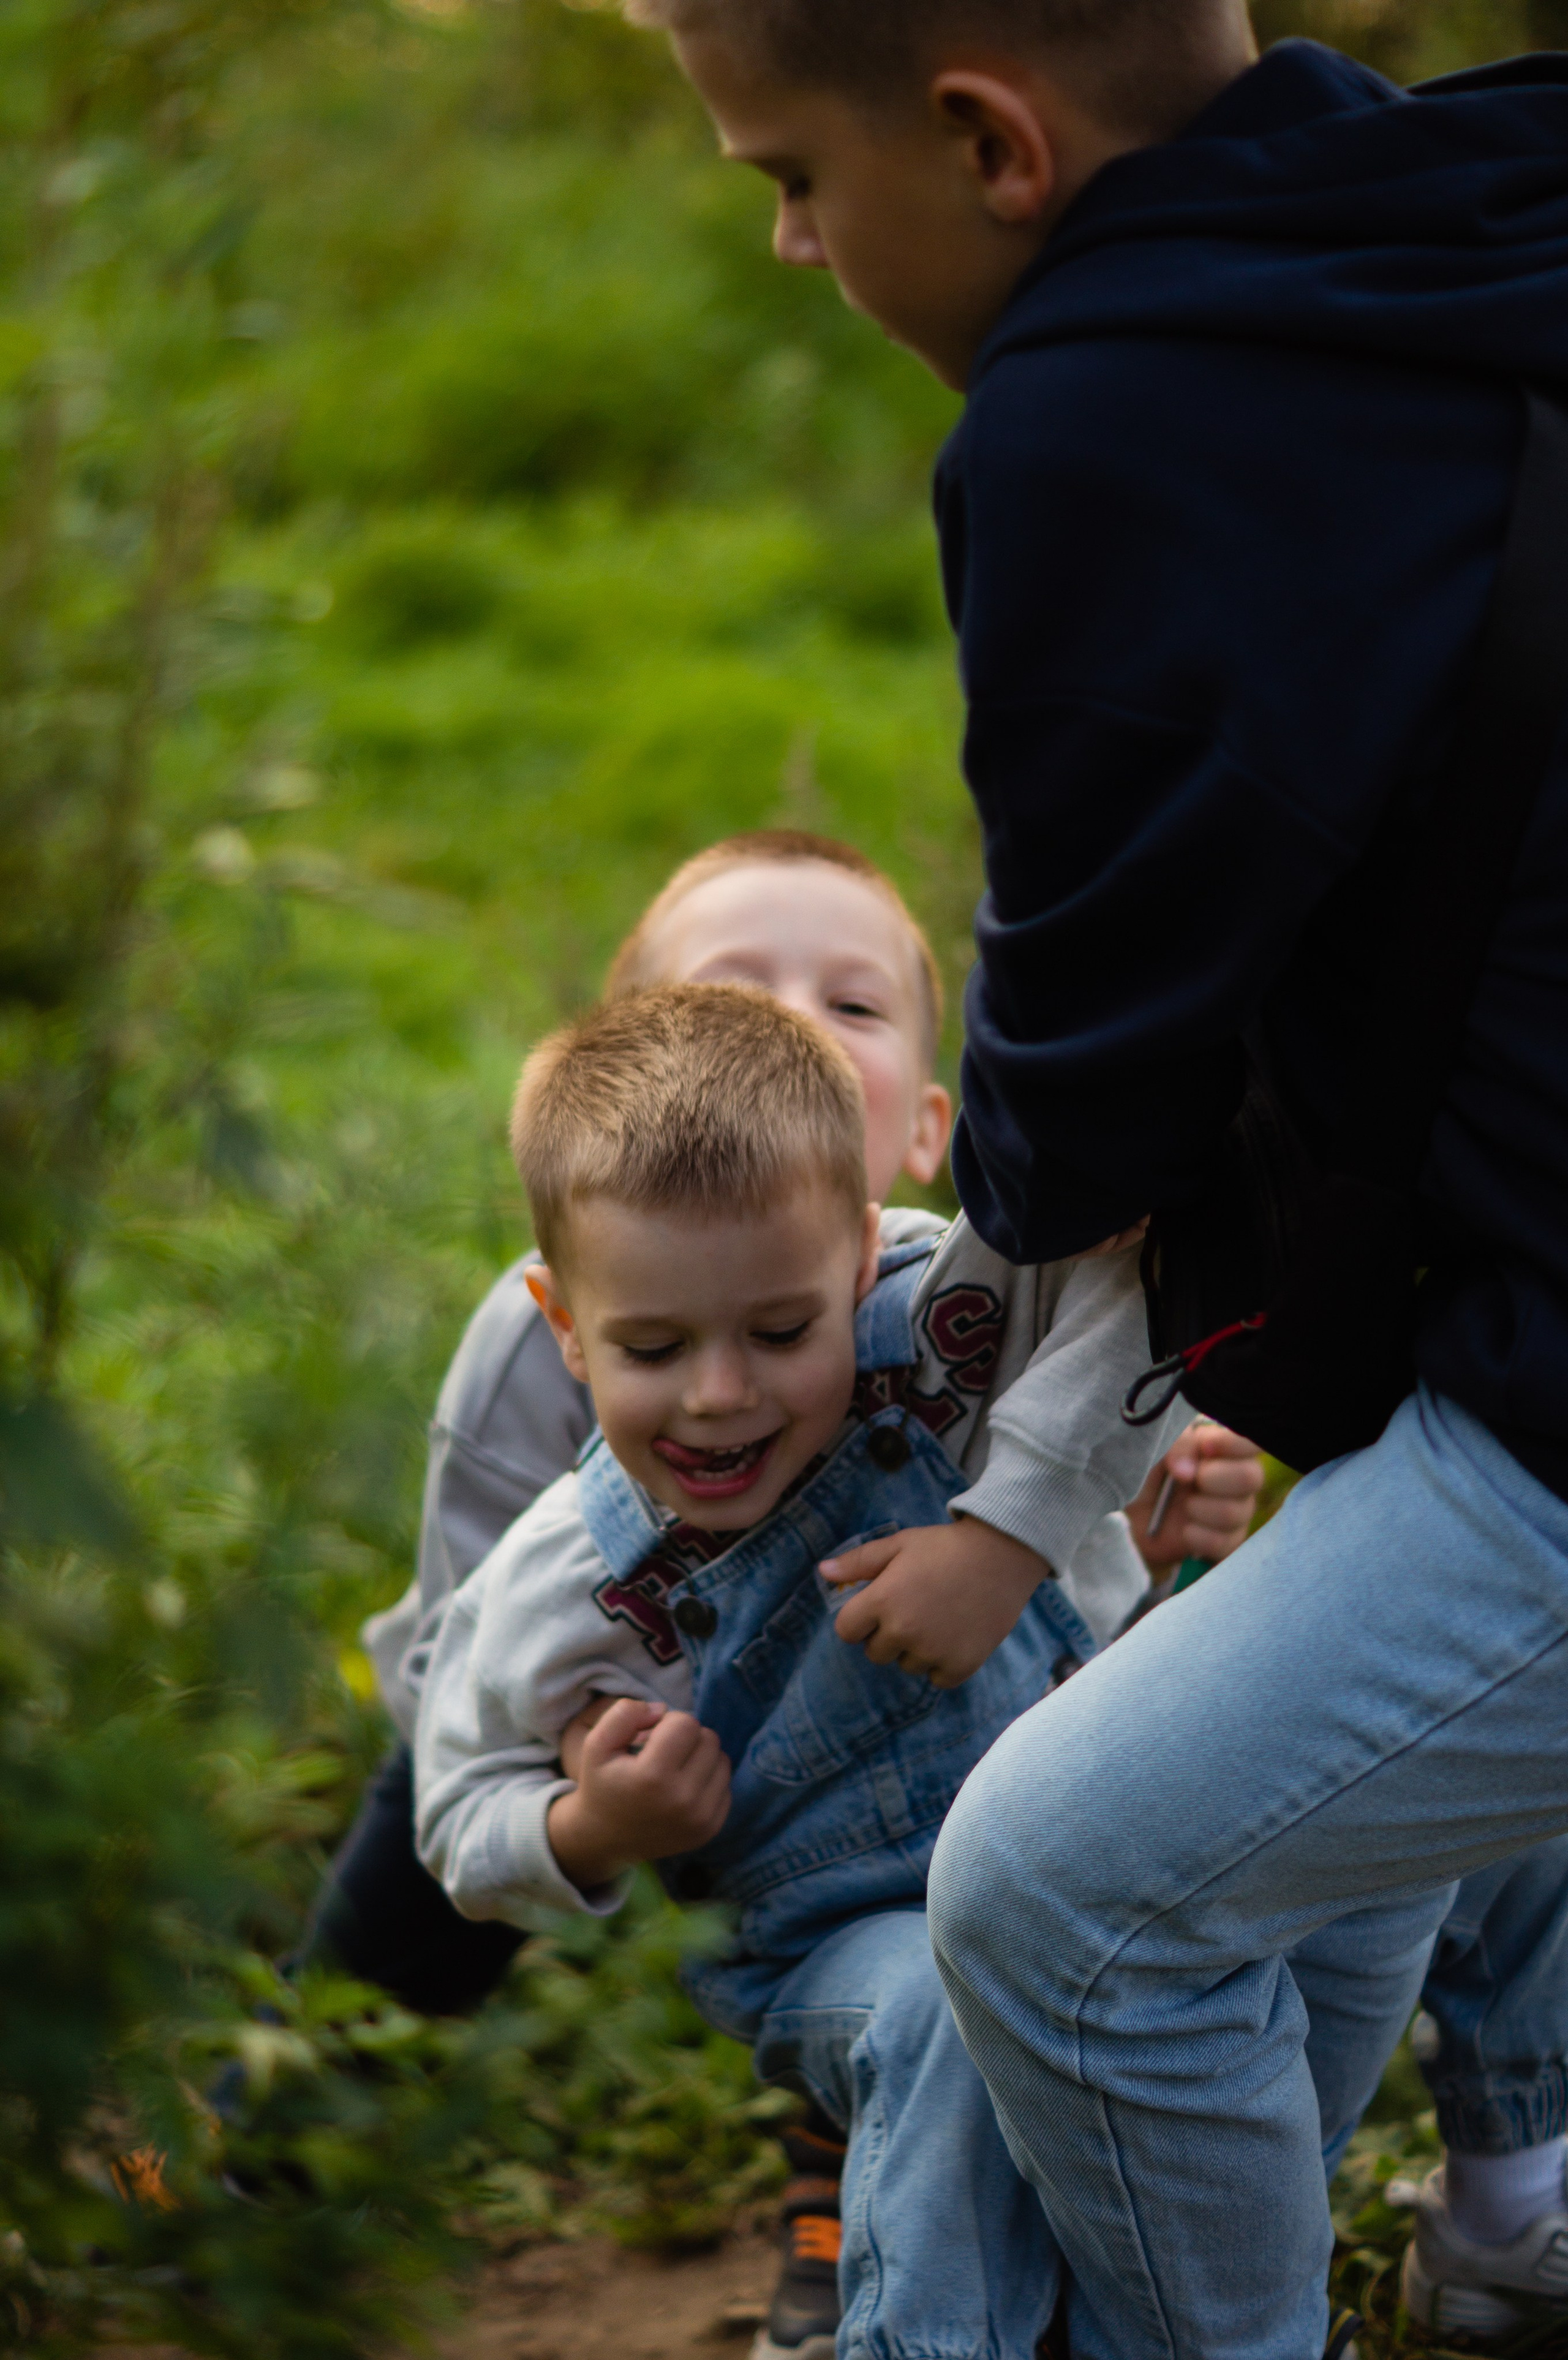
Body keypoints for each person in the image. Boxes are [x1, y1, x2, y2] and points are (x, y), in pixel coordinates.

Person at [630, 0, 1568, 2350]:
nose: (785, 242)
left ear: (987, 142)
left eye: (798, 179)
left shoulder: (1104, 415)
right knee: (1284, 1817)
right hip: (1501, 1293)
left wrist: (998, 1188)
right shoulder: (1463, 200)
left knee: (1049, 1894)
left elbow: (1084, 1074)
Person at [312, 833, 1256, 2018]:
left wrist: (1126, 1513)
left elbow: (1118, 1348)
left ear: (929, 1125)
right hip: (654, 1761)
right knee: (397, 1921)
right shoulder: (528, 1353)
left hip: (974, 1775)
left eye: (850, 1002)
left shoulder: (959, 1295)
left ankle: (843, 2120)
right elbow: (470, 1665)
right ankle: (272, 2128)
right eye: (732, 996)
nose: (794, 1025)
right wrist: (592, 1784)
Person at [414, 981, 1189, 2360]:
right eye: (652, 1348)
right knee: (946, 2019)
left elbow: (1152, 1291)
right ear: (562, 1325)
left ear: (860, 1274)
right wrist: (593, 1825)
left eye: (782, 1333)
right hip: (845, 1936)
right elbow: (455, 1809)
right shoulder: (570, 1577)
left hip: (1092, 1844)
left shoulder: (936, 1339)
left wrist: (1010, 1534)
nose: (721, 1394)